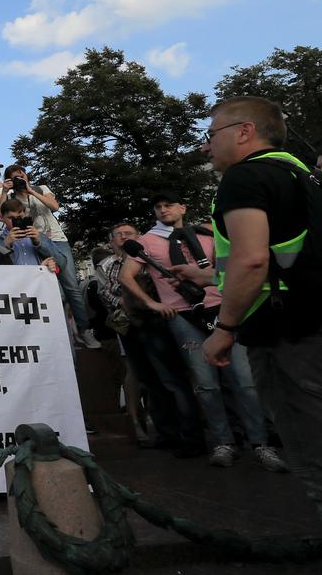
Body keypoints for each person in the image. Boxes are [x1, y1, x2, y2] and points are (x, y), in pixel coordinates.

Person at [200, 96, 322, 517]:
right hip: (312, 314)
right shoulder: (301, 173)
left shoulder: (243, 178)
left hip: (284, 330)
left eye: (212, 134)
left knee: (312, 454)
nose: (207, 145)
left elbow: (252, 259)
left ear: (244, 131)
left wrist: (224, 327)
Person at [120, 193, 285, 471]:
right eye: (158, 207)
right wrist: (153, 303)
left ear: (182, 208)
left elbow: (234, 262)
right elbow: (126, 276)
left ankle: (261, 443)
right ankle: (223, 442)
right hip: (183, 316)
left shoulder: (207, 233)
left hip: (223, 309)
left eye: (168, 205)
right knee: (205, 383)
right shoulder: (147, 241)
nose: (163, 210)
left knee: (243, 379)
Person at [0, 165, 98, 348]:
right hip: (28, 241)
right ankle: (65, 330)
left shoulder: (41, 188)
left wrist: (30, 190)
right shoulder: (11, 198)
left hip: (54, 239)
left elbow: (55, 206)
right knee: (51, 291)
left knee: (72, 287)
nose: (19, 179)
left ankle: (85, 330)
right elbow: (2, 215)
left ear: (26, 175)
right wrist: (5, 190)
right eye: (15, 178)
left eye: (21, 175)